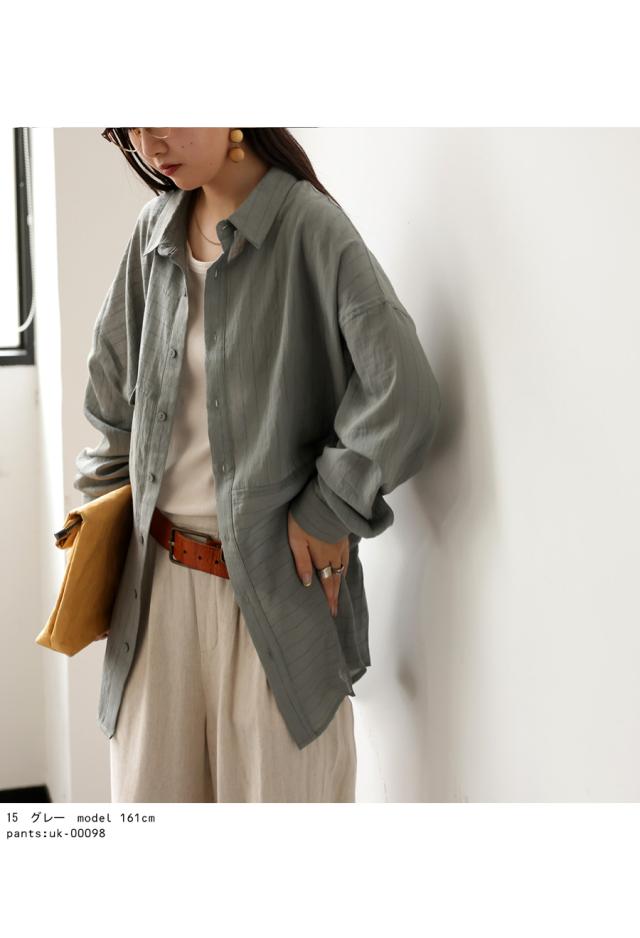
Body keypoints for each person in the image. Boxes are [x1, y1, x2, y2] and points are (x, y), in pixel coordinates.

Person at [74, 127, 442, 803]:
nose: (150, 139)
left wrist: (329, 508)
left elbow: (404, 392)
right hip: (156, 598)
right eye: (132, 118)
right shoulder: (154, 233)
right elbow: (110, 399)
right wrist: (100, 538)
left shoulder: (310, 228)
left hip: (276, 593)